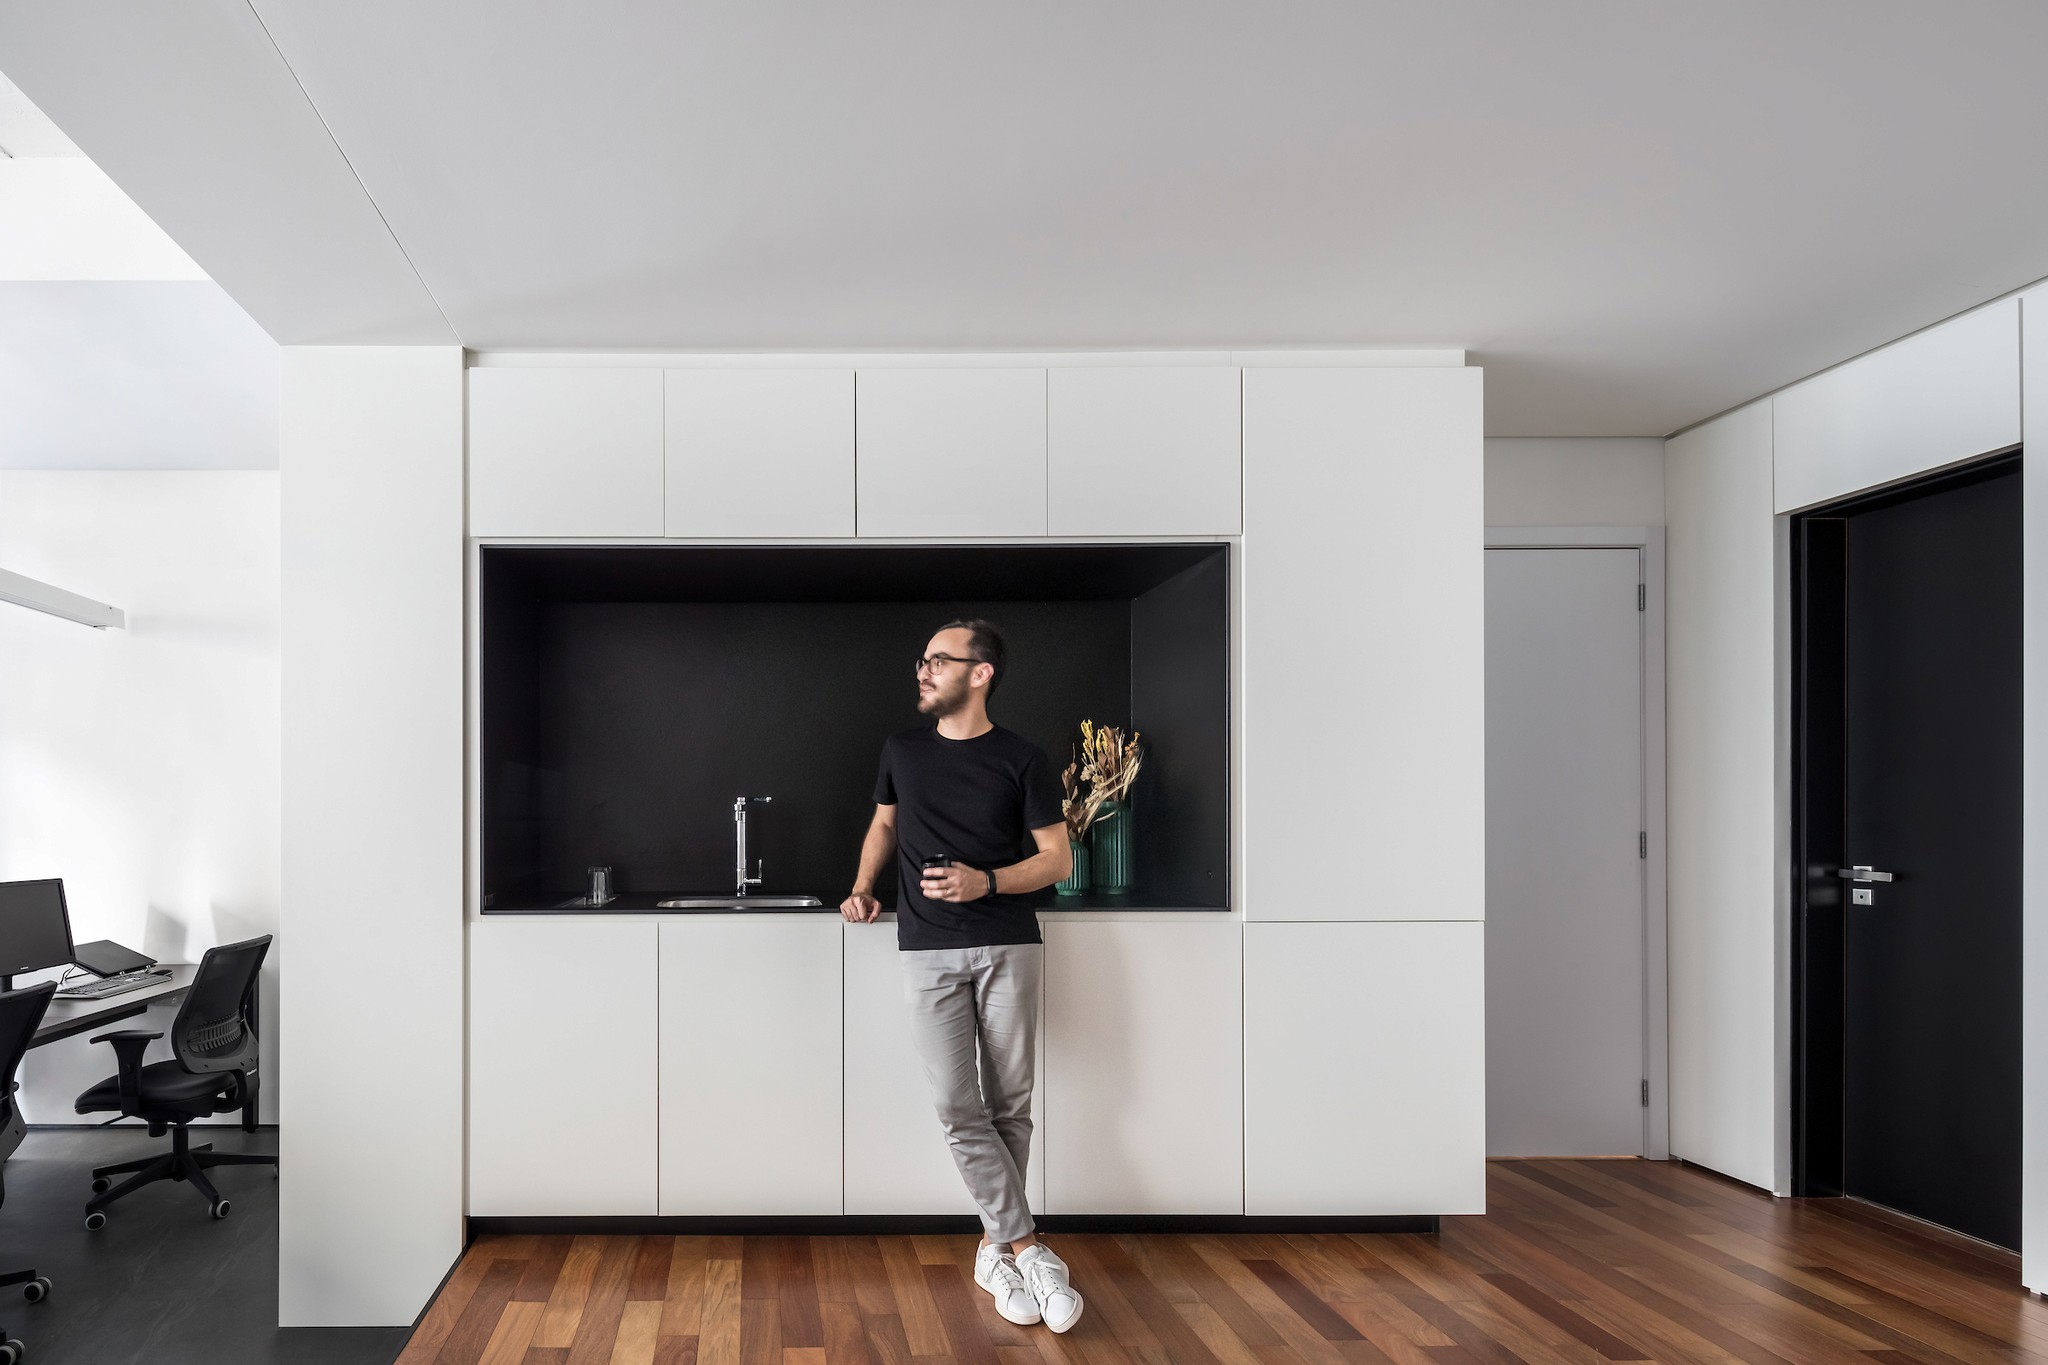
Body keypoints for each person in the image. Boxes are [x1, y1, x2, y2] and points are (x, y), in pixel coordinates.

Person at [840, 619, 1084, 1334]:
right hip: (927, 950)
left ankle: (993, 1253)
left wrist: (987, 881)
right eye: (923, 659)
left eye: (939, 660)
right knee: (957, 1104)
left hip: (1008, 942)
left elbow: (1057, 859)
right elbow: (884, 825)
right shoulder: (902, 751)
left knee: (1010, 1105)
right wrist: (862, 886)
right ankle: (1028, 1247)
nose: (923, 670)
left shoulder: (1023, 759)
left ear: (981, 673)